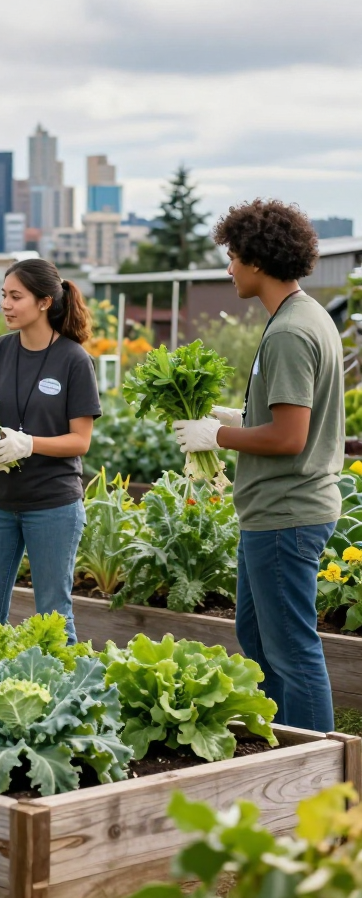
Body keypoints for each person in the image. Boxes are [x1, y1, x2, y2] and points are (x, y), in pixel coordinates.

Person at [172, 199, 342, 732]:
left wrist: (216, 435)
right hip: (272, 513)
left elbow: (290, 437)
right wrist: (239, 416)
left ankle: (312, 772)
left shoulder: (290, 332)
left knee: (293, 652)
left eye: (233, 256)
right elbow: (290, 417)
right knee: (257, 638)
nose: (229, 268)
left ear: (258, 261)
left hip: (286, 512)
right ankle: (277, 743)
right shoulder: (303, 316)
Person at [0, 258, 100, 642]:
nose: (6, 305)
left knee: (54, 617)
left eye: (15, 296)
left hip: (53, 506)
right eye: (3, 296)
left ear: (44, 302)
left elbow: (80, 440)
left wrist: (27, 444)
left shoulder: (74, 360)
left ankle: (69, 699)